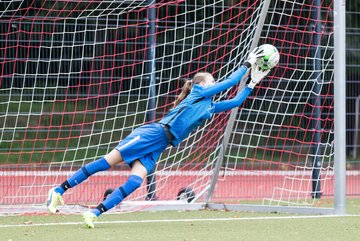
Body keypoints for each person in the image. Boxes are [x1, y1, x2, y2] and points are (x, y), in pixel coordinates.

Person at [46, 48, 270, 228]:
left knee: (134, 182)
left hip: (159, 146)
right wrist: (247, 64)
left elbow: (236, 102)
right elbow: (229, 83)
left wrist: (252, 83)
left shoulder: (210, 107)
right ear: (202, 85)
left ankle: (94, 214)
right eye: (212, 81)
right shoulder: (198, 93)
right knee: (106, 162)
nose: (214, 83)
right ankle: (59, 190)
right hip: (151, 134)